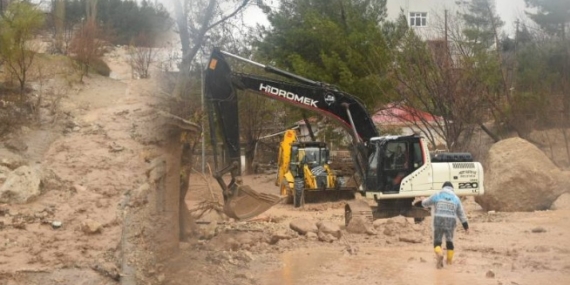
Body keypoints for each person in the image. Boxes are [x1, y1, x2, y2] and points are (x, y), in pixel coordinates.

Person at [416, 181, 469, 269]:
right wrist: (466, 226)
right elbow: (461, 214)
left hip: (438, 220)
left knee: (437, 241)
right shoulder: (456, 198)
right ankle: (449, 263)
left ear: (443, 187)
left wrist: (422, 200)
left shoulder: (437, 194)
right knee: (449, 241)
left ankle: (440, 253)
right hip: (451, 221)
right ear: (452, 189)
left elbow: (426, 203)